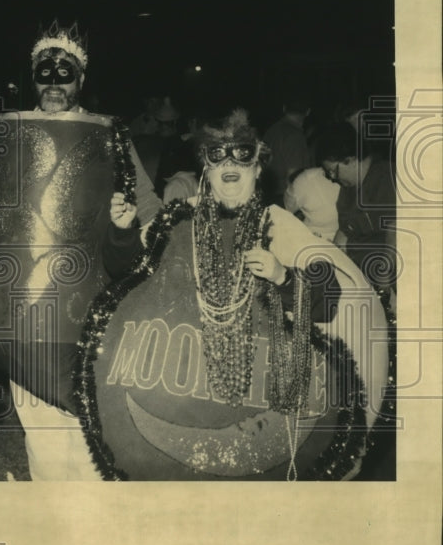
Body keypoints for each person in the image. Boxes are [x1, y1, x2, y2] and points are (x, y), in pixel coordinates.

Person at [91, 109, 389, 480]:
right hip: (185, 391)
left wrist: (283, 278)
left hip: (257, 404)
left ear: (258, 170)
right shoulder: (180, 221)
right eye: (217, 157)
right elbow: (126, 273)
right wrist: (121, 232)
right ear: (206, 170)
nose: (229, 164)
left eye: (242, 157)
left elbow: (328, 301)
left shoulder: (279, 226)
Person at [0, 22, 161, 480]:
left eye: (66, 73)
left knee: (87, 432)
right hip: (22, 311)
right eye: (45, 72)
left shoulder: (110, 137)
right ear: (34, 78)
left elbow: (152, 212)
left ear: (81, 80)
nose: (55, 82)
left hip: (87, 305)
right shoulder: (9, 137)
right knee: (40, 432)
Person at [315, 121, 396, 295]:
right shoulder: (348, 190)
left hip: (388, 281)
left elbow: (395, 231)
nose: (332, 178)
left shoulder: (386, 178)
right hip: (361, 278)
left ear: (350, 160)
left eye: (333, 171)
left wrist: (385, 276)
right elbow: (344, 233)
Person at [262, 94, 313, 204]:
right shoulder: (295, 136)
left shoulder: (271, 130)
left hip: (267, 195)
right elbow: (294, 176)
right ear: (308, 112)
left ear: (284, 108)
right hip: (284, 198)